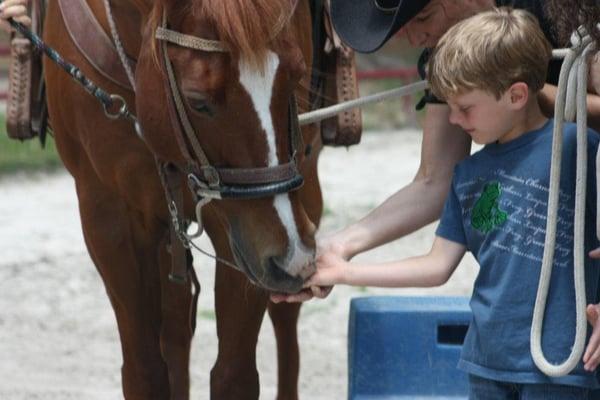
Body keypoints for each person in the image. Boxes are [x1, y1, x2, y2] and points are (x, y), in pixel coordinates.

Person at [305, 8, 600, 397]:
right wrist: (341, 270)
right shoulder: (467, 176)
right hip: (486, 364)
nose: (455, 121)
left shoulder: (581, 152)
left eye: (465, 108)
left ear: (516, 95)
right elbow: (435, 265)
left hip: (563, 366)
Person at [271, 0, 600, 302]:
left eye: (424, 17)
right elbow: (433, 181)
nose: (415, 39)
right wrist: (339, 247)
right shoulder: (454, 55)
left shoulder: (566, 10)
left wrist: (534, 91)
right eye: (404, 30)